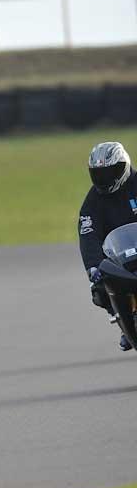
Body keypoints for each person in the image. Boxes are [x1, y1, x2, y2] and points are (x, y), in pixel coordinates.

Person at [78, 141, 134, 351]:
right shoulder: (93, 202)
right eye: (99, 174)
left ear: (124, 167)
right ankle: (125, 324)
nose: (105, 179)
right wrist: (92, 266)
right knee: (100, 291)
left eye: (112, 171)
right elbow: (88, 234)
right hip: (119, 258)